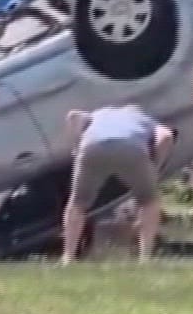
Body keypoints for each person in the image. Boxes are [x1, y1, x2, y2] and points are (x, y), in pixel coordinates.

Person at [61, 105, 174, 263]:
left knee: (77, 203)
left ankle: (68, 256)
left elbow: (73, 115)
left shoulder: (98, 114)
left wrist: (76, 148)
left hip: (92, 147)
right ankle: (145, 256)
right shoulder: (144, 118)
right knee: (149, 202)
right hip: (132, 150)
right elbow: (166, 137)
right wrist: (155, 168)